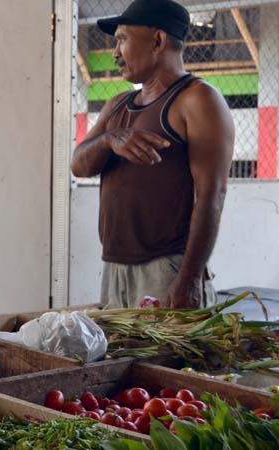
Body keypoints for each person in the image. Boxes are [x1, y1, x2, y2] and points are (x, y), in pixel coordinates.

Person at [70, 0, 234, 309]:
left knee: (165, 359)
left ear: (157, 41)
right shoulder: (118, 104)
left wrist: (188, 279)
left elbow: (213, 194)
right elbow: (78, 165)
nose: (115, 52)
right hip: (114, 267)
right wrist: (108, 140)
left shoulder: (198, 99)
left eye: (122, 39)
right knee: (121, 357)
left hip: (166, 270)